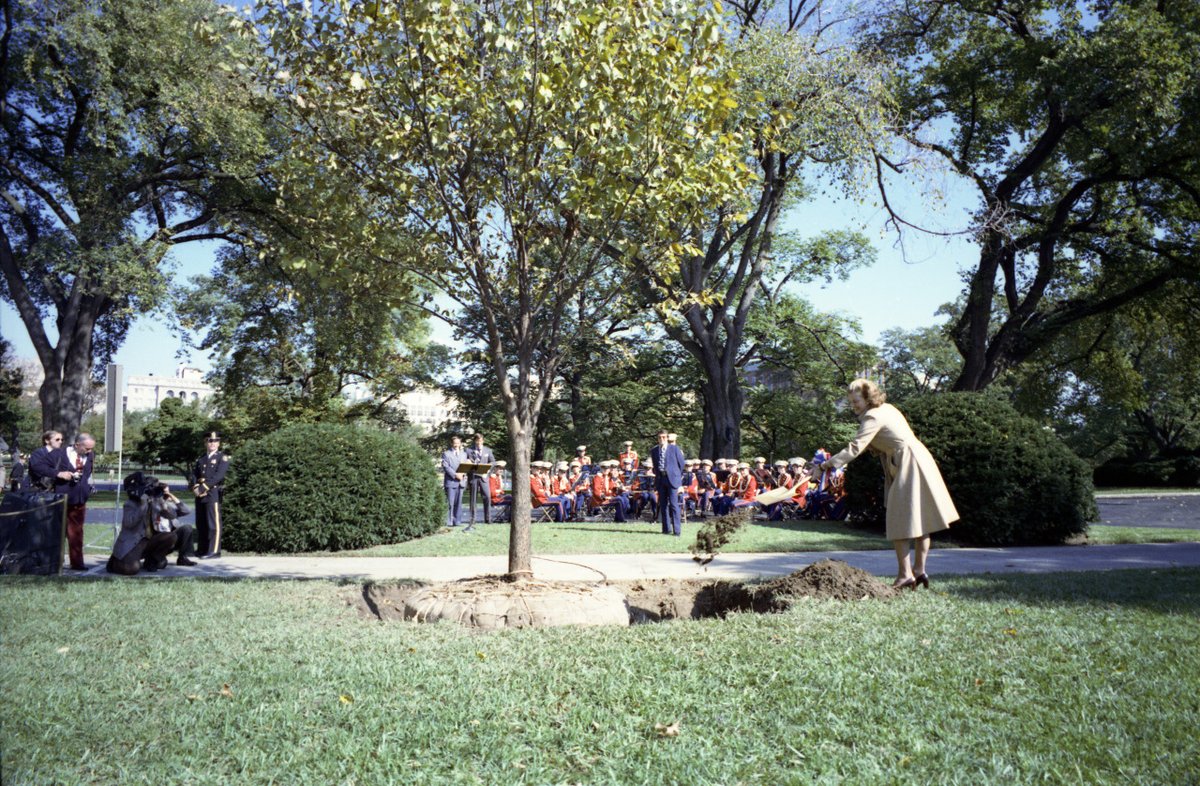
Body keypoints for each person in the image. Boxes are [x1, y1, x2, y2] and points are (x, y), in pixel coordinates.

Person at [823, 378, 959, 589]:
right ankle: (919, 570)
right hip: (917, 457)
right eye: (850, 401)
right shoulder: (888, 409)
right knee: (922, 517)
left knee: (899, 519)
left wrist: (825, 466)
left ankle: (905, 575)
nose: (853, 406)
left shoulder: (872, 416)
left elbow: (855, 448)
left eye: (856, 400)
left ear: (868, 397)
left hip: (907, 463)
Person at [108, 472, 178, 575]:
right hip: (134, 543)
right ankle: (114, 562)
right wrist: (142, 505)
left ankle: (151, 561)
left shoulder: (156, 502)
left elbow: (172, 516)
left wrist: (163, 504)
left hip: (148, 540)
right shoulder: (130, 504)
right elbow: (129, 523)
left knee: (171, 536)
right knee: (132, 569)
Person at [53, 433, 95, 571]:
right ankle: (53, 562)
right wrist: (61, 475)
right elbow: (44, 469)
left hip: (79, 500)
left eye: (91, 449)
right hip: (60, 499)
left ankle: (77, 563)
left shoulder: (90, 456)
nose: (89, 452)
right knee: (56, 532)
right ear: (77, 445)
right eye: (87, 448)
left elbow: (87, 474)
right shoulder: (60, 454)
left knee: (76, 533)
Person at [191, 431, 229, 558]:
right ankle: (202, 549)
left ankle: (214, 551)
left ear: (219, 443)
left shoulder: (222, 458)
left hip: (212, 493)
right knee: (201, 523)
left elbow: (219, 476)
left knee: (213, 524)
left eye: (215, 441)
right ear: (205, 443)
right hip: (200, 494)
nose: (212, 443)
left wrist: (204, 487)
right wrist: (195, 486)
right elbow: (194, 475)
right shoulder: (201, 458)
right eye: (210, 441)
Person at [147, 481, 198, 566]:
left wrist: (172, 497)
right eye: (164, 492)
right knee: (161, 565)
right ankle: (152, 558)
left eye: (168, 492)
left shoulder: (171, 506)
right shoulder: (152, 505)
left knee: (187, 528)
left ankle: (182, 558)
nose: (166, 494)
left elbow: (187, 511)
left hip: (171, 539)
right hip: (158, 541)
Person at [649, 429, 686, 536]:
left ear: (667, 438)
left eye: (664, 437)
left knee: (674, 505)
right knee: (663, 505)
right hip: (661, 479)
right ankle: (666, 529)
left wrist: (678, 481)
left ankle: (677, 531)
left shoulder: (674, 449)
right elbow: (656, 467)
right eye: (660, 437)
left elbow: (681, 465)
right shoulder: (654, 451)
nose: (662, 439)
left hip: (673, 480)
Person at [466, 433, 495, 527]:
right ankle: (472, 519)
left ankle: (488, 518)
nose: (479, 442)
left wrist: (487, 472)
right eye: (477, 441)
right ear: (475, 441)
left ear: (483, 440)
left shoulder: (488, 450)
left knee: (487, 497)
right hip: (473, 477)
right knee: (473, 499)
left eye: (480, 440)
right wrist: (468, 462)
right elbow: (465, 461)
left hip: (484, 477)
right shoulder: (468, 450)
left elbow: (493, 462)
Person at [440, 435, 467, 528]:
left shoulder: (464, 454)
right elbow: (446, 466)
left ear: (460, 443)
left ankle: (457, 521)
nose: (456, 445)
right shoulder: (446, 454)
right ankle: (449, 521)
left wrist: (462, 474)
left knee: (459, 503)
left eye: (458, 443)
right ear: (451, 443)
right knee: (450, 503)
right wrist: (456, 475)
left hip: (461, 482)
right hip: (451, 481)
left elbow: (466, 466)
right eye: (455, 443)